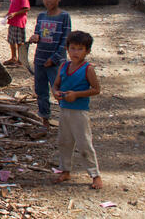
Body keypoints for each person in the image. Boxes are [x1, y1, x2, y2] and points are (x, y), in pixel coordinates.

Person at [52, 31, 102, 189]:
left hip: (79, 112)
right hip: (64, 110)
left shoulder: (88, 69)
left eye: (80, 49)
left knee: (84, 143)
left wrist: (77, 95)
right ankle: (65, 170)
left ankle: (95, 175)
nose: (75, 52)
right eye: (72, 48)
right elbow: (56, 85)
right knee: (64, 142)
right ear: (67, 49)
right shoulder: (64, 66)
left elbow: (96, 89)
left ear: (87, 51)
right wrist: (55, 93)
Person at [28, 0, 71, 128]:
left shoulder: (64, 17)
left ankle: (67, 121)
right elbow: (38, 34)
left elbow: (65, 41)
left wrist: (53, 59)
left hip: (56, 62)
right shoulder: (41, 16)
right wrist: (34, 37)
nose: (48, 1)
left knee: (59, 90)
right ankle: (45, 120)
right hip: (40, 59)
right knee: (41, 91)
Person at [3, 0, 30, 66]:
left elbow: (26, 8)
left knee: (19, 42)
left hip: (19, 21)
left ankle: (21, 59)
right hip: (12, 20)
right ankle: (13, 57)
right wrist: (8, 13)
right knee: (11, 40)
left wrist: (15, 14)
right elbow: (13, 5)